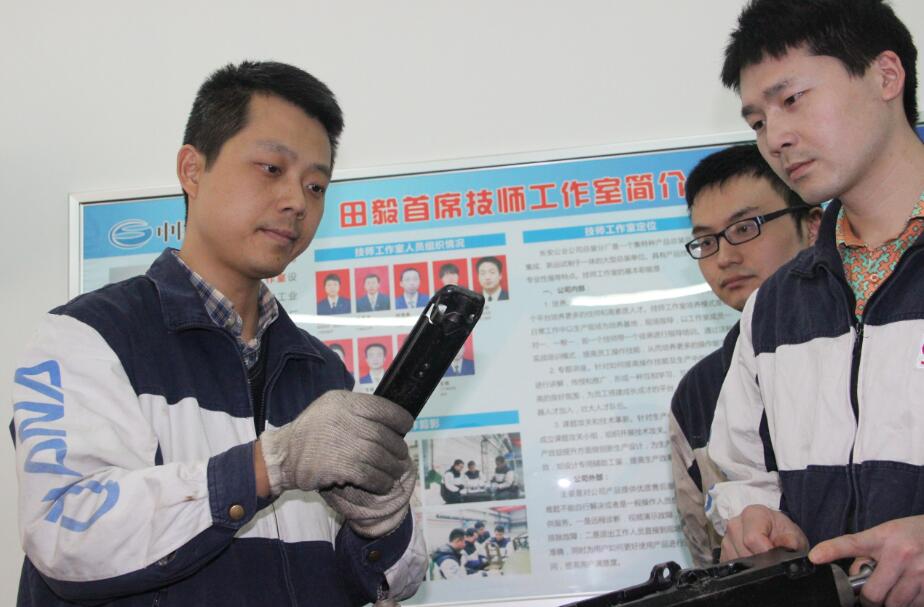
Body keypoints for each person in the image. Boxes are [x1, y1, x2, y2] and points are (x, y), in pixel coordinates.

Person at [10, 61, 424, 606]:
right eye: (271, 168)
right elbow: (65, 533)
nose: (297, 201)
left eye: (316, 185)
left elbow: (393, 583)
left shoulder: (322, 370)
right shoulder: (87, 335)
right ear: (192, 169)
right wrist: (268, 465)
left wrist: (384, 524)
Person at [706, 2, 924, 605]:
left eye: (793, 99)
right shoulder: (775, 306)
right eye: (757, 121)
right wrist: (752, 518)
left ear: (886, 75)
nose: (775, 138)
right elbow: (740, 473)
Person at [670, 144, 820, 567]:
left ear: (812, 225)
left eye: (745, 228)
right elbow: (709, 557)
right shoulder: (698, 392)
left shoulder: (871, 343)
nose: (725, 257)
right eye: (706, 241)